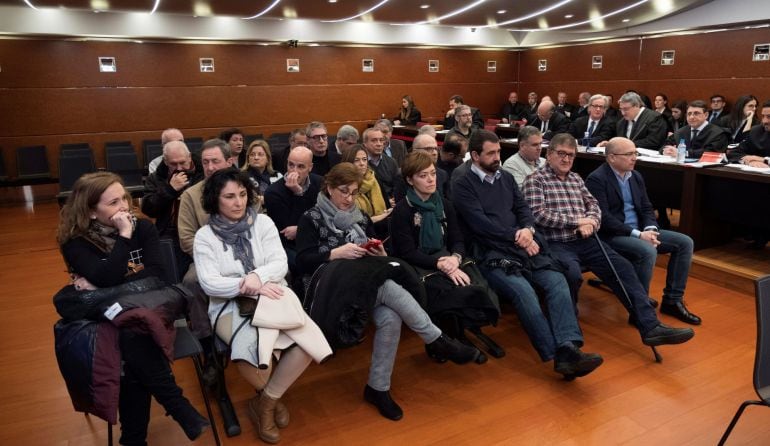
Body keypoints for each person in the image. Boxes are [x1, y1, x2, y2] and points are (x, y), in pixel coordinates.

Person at [295, 163, 480, 421]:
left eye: (354, 192)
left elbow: (377, 252)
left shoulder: (360, 216)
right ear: (328, 188)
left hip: (366, 282)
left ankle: (377, 388)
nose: (349, 199)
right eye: (343, 192)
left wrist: (379, 253)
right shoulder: (311, 217)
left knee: (391, 317)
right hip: (329, 287)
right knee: (385, 285)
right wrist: (335, 253)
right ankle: (437, 340)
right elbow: (302, 261)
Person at [57, 171, 209, 445]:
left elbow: (157, 277)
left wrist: (105, 288)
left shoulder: (145, 228)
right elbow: (111, 276)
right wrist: (125, 238)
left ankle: (134, 439)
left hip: (154, 306)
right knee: (130, 339)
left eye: (124, 198)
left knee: (130, 337)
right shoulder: (76, 241)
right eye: (113, 203)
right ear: (91, 212)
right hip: (116, 318)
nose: (124, 207)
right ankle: (176, 407)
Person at [193, 169, 332, 444]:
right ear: (214, 200)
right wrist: (251, 282)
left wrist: (258, 276)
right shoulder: (204, 236)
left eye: (243, 194)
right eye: (229, 196)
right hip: (229, 304)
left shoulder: (264, 223)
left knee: (305, 344)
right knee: (252, 359)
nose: (238, 202)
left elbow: (280, 263)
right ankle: (272, 396)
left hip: (273, 295)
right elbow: (210, 284)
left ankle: (266, 403)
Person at [452, 130, 603, 379]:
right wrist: (518, 236)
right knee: (524, 293)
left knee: (557, 282)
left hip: (524, 243)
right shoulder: (463, 184)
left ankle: (569, 346)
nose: (497, 158)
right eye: (491, 153)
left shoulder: (505, 177)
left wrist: (528, 230)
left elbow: (524, 209)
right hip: (490, 252)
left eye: (499, 152)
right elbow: (480, 224)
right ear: (475, 155)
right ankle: (556, 353)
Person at [522, 133, 695, 347]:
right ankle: (567, 337)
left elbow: (595, 207)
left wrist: (590, 222)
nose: (566, 159)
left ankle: (650, 326)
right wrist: (578, 221)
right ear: (549, 155)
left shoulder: (576, 179)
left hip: (587, 240)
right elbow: (538, 214)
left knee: (622, 268)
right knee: (572, 274)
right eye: (561, 154)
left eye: (571, 155)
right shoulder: (535, 180)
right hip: (557, 243)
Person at [390, 151, 502, 359]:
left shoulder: (445, 204)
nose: (431, 179)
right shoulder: (403, 211)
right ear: (409, 180)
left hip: (449, 258)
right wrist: (441, 263)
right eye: (423, 176)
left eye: (432, 173)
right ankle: (449, 340)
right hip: (419, 263)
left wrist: (455, 259)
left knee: (474, 282)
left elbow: (458, 240)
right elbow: (407, 252)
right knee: (443, 289)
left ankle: (464, 330)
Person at [586, 137, 702, 325]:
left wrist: (650, 228)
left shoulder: (636, 176)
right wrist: (639, 235)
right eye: (629, 154)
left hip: (641, 231)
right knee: (647, 250)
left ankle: (672, 301)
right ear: (612, 158)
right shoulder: (597, 179)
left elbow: (647, 207)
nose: (634, 158)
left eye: (635, 153)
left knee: (684, 243)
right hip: (613, 235)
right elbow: (604, 219)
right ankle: (640, 309)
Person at [141, 140, 204, 280]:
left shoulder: (204, 173)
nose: (179, 168)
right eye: (173, 164)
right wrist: (169, 190)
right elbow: (148, 209)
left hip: (199, 228)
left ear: (189, 157)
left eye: (182, 162)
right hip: (169, 231)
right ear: (165, 161)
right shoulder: (156, 177)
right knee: (170, 273)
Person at [264, 146, 322, 278]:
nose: (294, 171)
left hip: (319, 237)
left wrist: (302, 228)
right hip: (291, 246)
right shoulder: (273, 192)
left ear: (310, 167)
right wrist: (298, 194)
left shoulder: (319, 182)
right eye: (291, 165)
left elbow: (327, 215)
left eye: (301, 167)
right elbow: (288, 233)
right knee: (308, 266)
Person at [340, 144, 392, 224]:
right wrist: (379, 217)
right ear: (348, 163)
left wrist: (389, 212)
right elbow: (351, 221)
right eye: (356, 160)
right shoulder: (343, 186)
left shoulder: (373, 179)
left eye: (364, 159)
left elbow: (387, 205)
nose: (362, 163)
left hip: (381, 227)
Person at [599, 92, 667, 150]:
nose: (623, 113)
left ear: (637, 105)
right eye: (621, 109)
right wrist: (611, 144)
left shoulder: (654, 118)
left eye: (626, 109)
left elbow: (653, 142)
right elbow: (621, 139)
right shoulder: (621, 122)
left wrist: (625, 144)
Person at [662, 100, 730, 158]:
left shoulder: (718, 133)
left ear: (706, 115)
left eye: (696, 113)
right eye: (689, 114)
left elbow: (711, 153)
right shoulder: (681, 131)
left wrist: (684, 153)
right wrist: (667, 150)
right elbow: (665, 146)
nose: (691, 117)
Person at [363, 127, 399, 208]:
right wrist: (385, 200)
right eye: (374, 140)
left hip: (391, 205)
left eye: (381, 140)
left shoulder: (391, 162)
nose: (379, 144)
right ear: (365, 143)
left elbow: (397, 186)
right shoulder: (360, 163)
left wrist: (393, 199)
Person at [729, 99, 770, 165]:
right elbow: (734, 153)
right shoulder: (756, 131)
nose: (764, 121)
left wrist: (765, 160)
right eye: (763, 116)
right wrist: (749, 160)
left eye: (769, 117)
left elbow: (762, 160)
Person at [243, 139, 283, 203]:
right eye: (252, 154)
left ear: (268, 158)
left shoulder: (277, 176)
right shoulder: (241, 176)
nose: (256, 158)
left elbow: (283, 197)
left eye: (260, 154)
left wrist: (266, 199)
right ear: (248, 158)